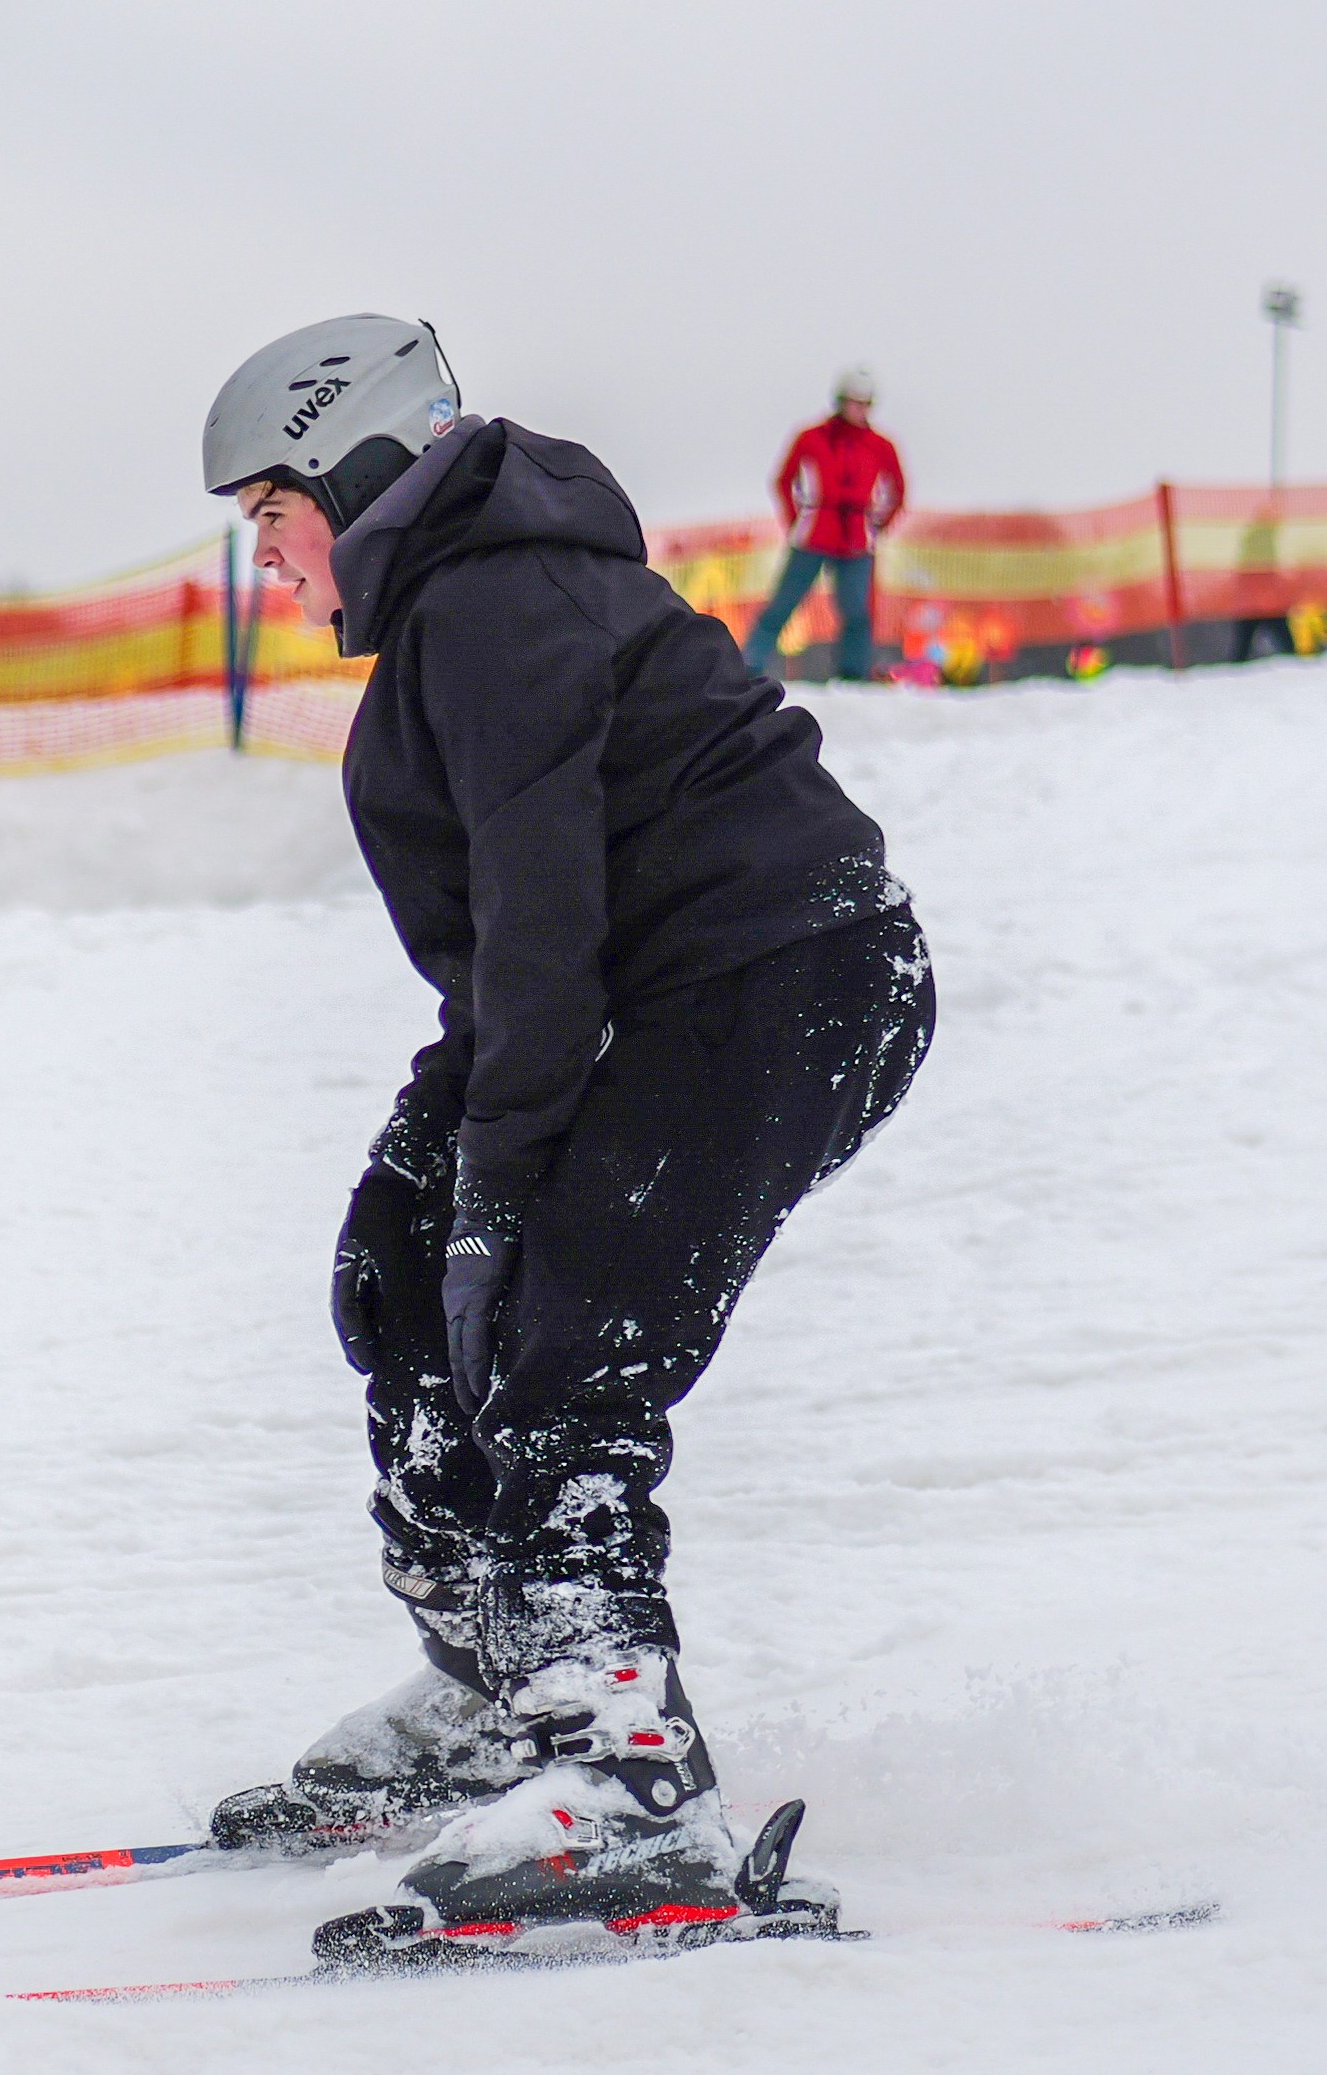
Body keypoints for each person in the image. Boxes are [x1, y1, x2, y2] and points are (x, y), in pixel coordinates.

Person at [202, 314, 936, 1944]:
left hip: (787, 974)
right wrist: (441, 1191)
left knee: (568, 1333)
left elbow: (544, 929)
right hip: (674, 992)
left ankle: (629, 1776)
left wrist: (503, 1193)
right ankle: (496, 1690)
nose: (265, 562)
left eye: (273, 517)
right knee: (397, 1269)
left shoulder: (494, 600)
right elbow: (506, 984)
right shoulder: (454, 626)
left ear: (360, 475)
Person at [745, 370, 905, 681]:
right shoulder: (811, 438)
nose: (858, 410)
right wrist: (797, 520)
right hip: (814, 536)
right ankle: (749, 667)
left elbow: (898, 489)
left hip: (856, 539)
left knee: (856, 610)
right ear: (840, 402)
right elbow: (783, 480)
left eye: (864, 404)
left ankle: (853, 674)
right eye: (853, 403)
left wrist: (878, 526)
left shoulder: (880, 446)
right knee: (783, 603)